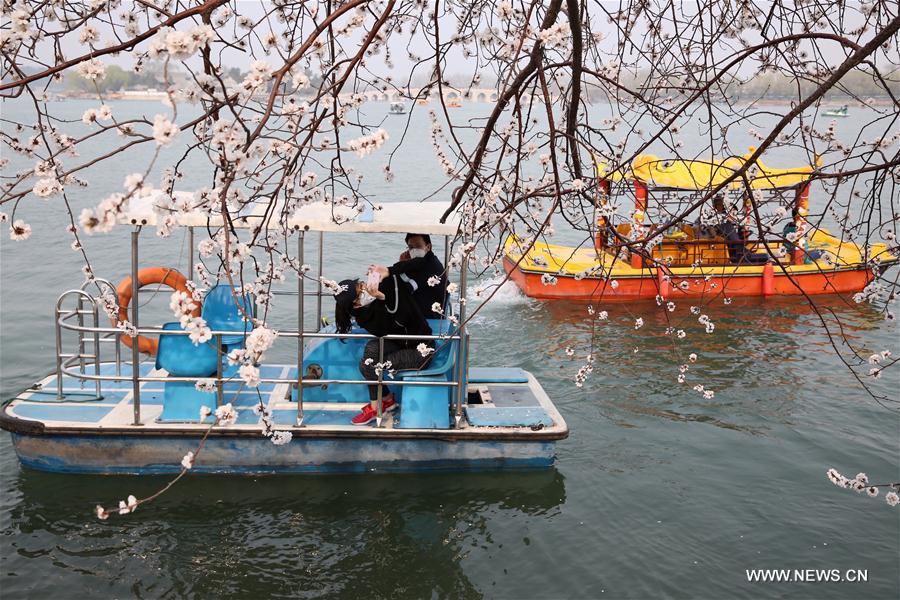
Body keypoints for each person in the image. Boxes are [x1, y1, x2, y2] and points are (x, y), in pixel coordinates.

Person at [334, 271, 434, 426]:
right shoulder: (364, 316)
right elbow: (383, 328)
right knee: (368, 357)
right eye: (360, 292)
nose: (365, 289)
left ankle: (377, 407)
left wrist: (385, 278)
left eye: (361, 285)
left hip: (421, 350)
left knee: (368, 364)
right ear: (356, 304)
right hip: (402, 343)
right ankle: (386, 400)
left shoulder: (383, 294)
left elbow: (403, 311)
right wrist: (380, 299)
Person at [370, 233, 447, 319]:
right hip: (419, 309)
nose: (414, 250)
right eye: (411, 247)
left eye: (418, 246)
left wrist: (389, 271)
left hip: (427, 317)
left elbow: (406, 289)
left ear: (428, 247)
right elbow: (413, 265)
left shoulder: (432, 266)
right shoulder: (425, 262)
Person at [711, 195, 769, 265]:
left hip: (731, 246)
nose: (721, 207)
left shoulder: (724, 218)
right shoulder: (720, 220)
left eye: (721, 205)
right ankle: (742, 253)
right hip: (734, 252)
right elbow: (733, 237)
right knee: (765, 256)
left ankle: (743, 251)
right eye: (719, 205)